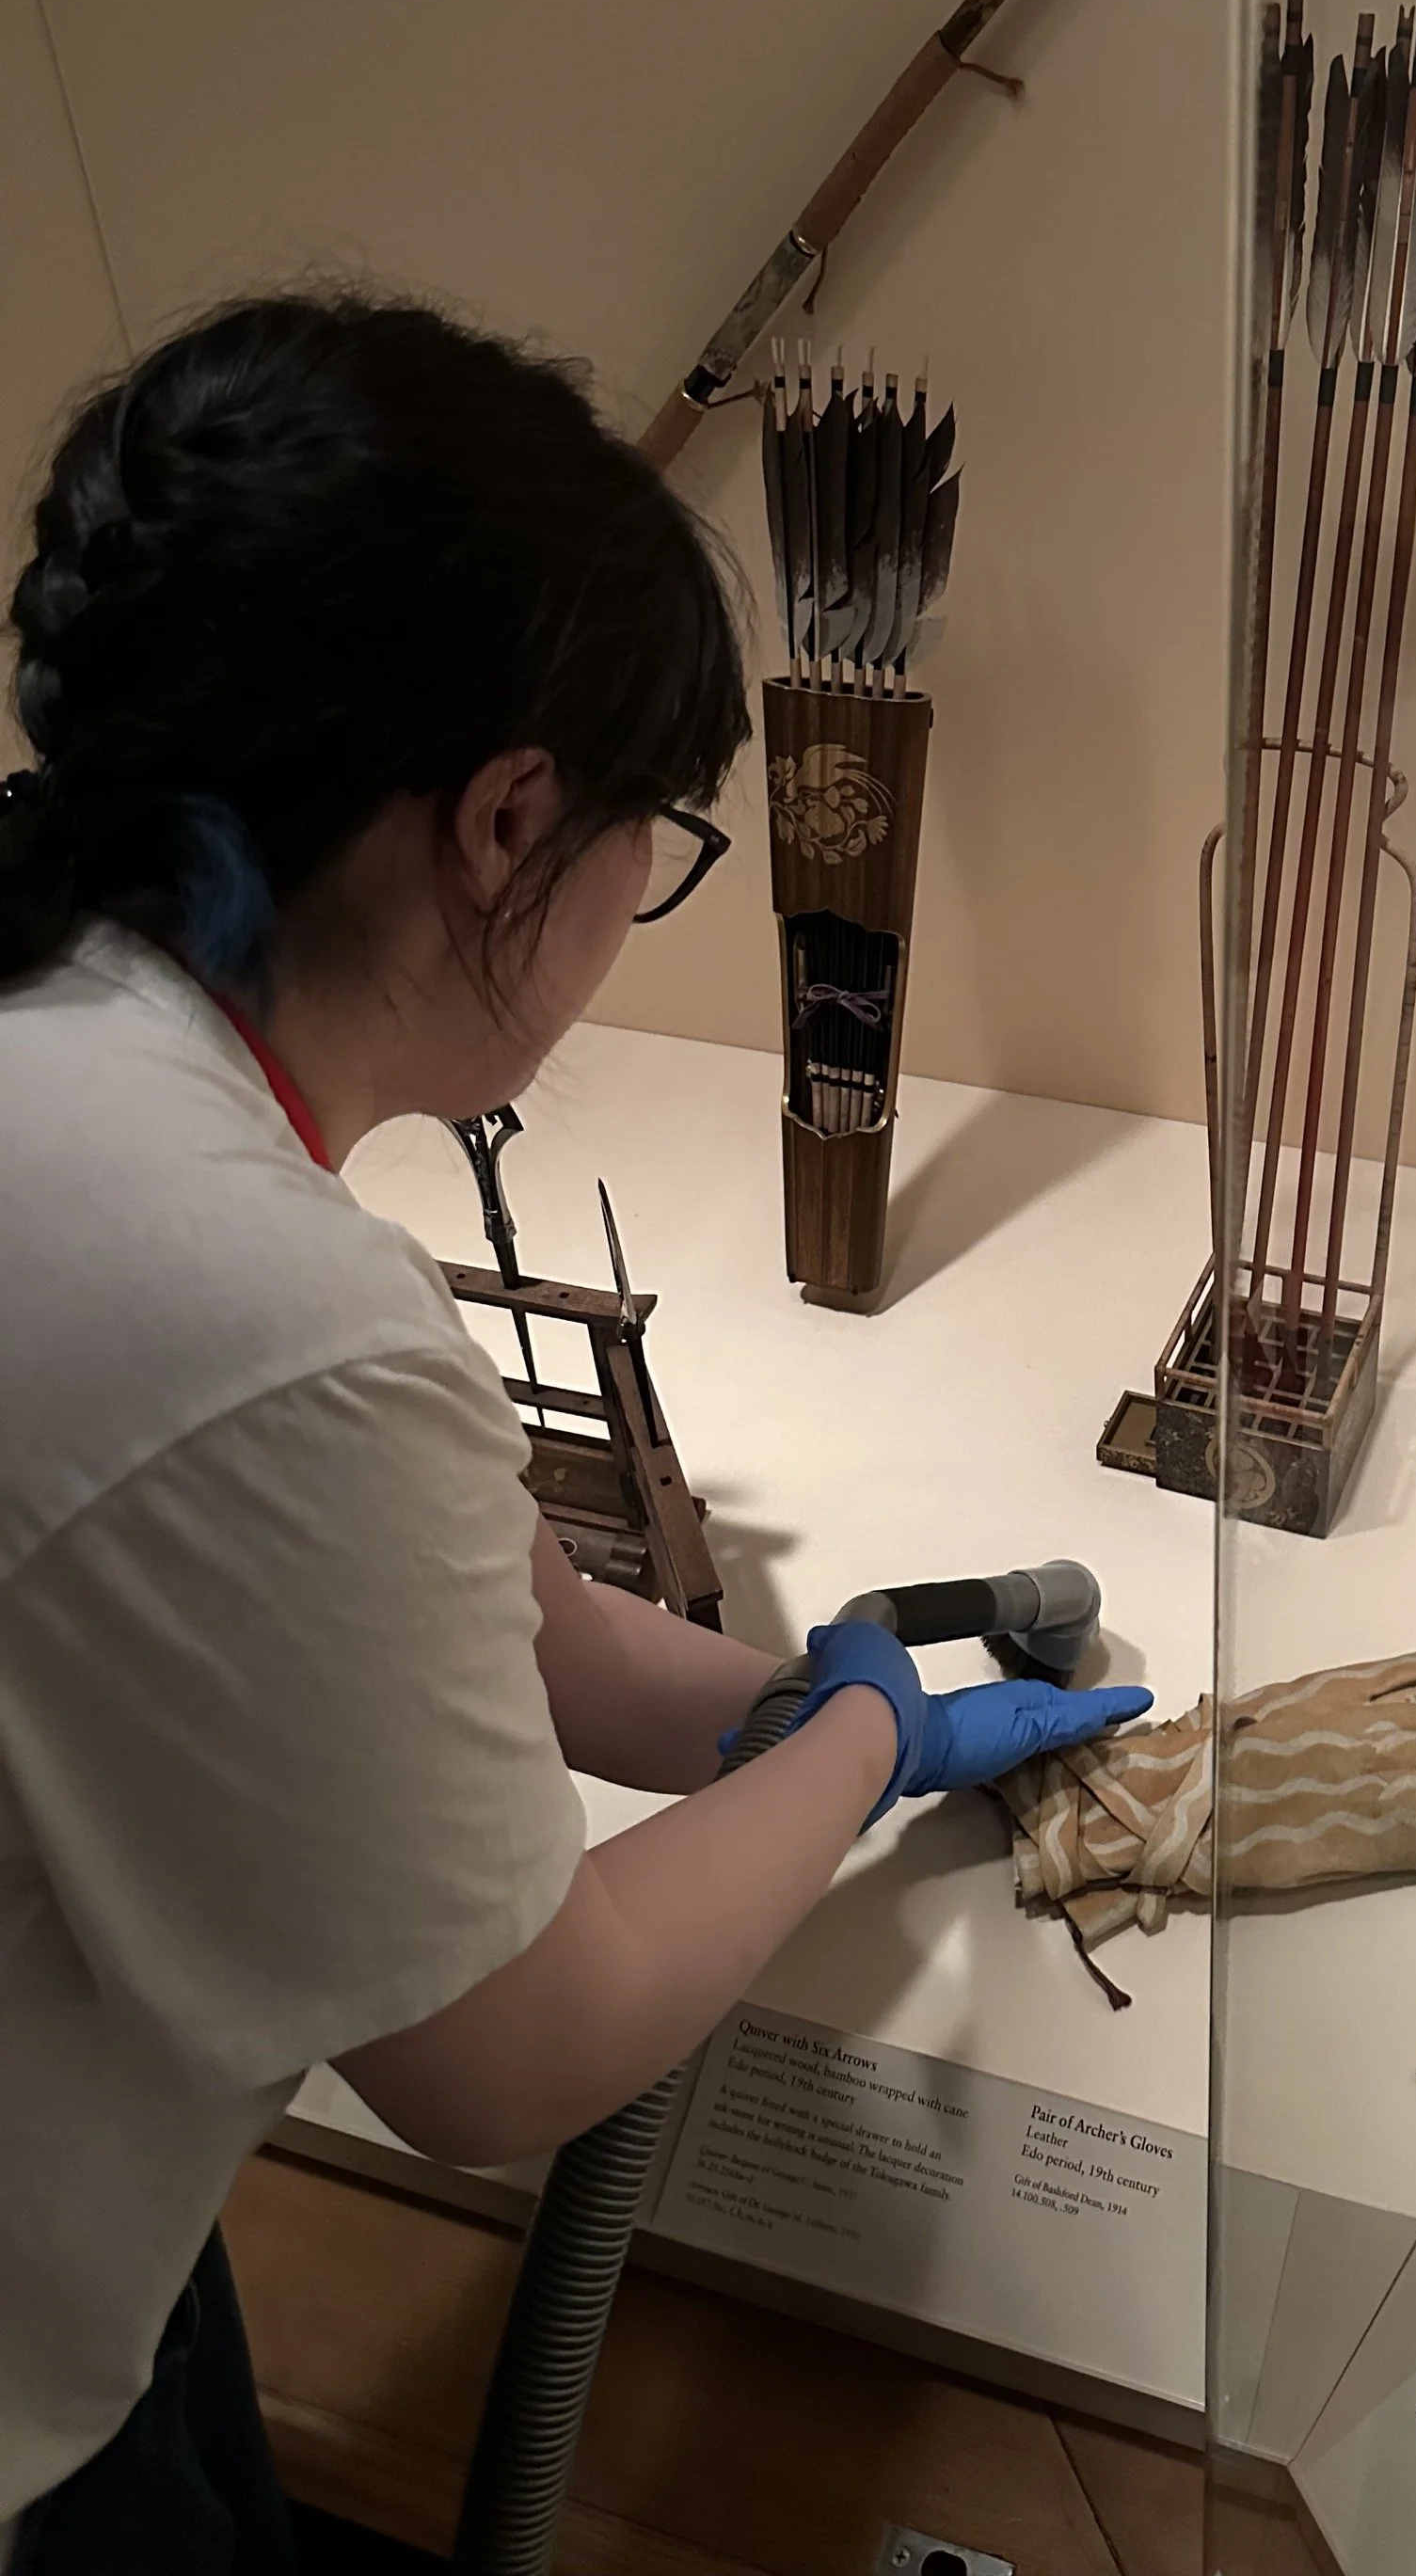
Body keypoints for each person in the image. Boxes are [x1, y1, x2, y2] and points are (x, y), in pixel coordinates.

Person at [0, 293, 1148, 2570]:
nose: (643, 896)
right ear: (510, 817)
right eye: (662, 838)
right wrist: (852, 1750)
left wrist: (772, 1700)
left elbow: (522, 1629)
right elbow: (508, 2062)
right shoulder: (256, 1311)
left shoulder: (89, 1057)